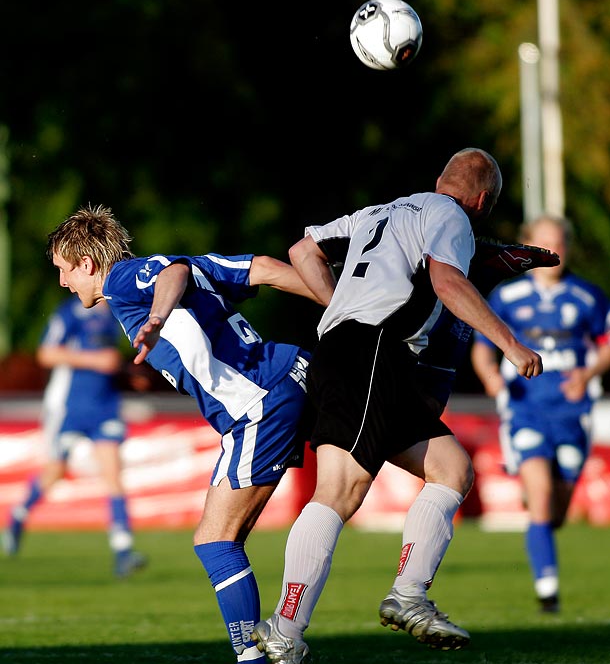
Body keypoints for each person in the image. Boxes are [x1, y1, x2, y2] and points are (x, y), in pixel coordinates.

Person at [251, 147, 543, 661]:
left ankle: (409, 596)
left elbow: (302, 251)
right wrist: (509, 343)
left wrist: (339, 304)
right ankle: (285, 628)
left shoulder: (378, 212)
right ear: (481, 200)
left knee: (451, 469)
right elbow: (447, 282)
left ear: (438, 180)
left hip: (355, 353)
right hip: (369, 352)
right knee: (339, 491)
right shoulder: (451, 215)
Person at [44, 205, 321, 663]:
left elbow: (170, 271)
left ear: (87, 264)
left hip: (258, 405)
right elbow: (268, 270)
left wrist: (155, 317)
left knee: (215, 541)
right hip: (296, 370)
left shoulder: (121, 281)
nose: (62, 282)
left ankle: (258, 654)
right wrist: (337, 304)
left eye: (63, 270)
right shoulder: (204, 268)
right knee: (349, 486)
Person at [471, 214, 610, 613]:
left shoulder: (588, 296)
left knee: (557, 512)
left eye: (560, 244)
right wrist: (490, 379)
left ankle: (539, 507)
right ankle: (548, 592)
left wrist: (589, 373)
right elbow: (483, 346)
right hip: (525, 408)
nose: (555, 253)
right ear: (528, 248)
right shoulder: (508, 296)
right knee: (543, 495)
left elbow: (606, 343)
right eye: (545, 245)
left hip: (572, 413)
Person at [2, 295, 147, 578]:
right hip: (68, 406)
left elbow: (108, 358)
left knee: (113, 472)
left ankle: (123, 551)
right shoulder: (71, 311)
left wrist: (127, 371)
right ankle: (19, 516)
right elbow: (46, 353)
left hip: (105, 406)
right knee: (56, 471)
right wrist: (94, 361)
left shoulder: (117, 310)